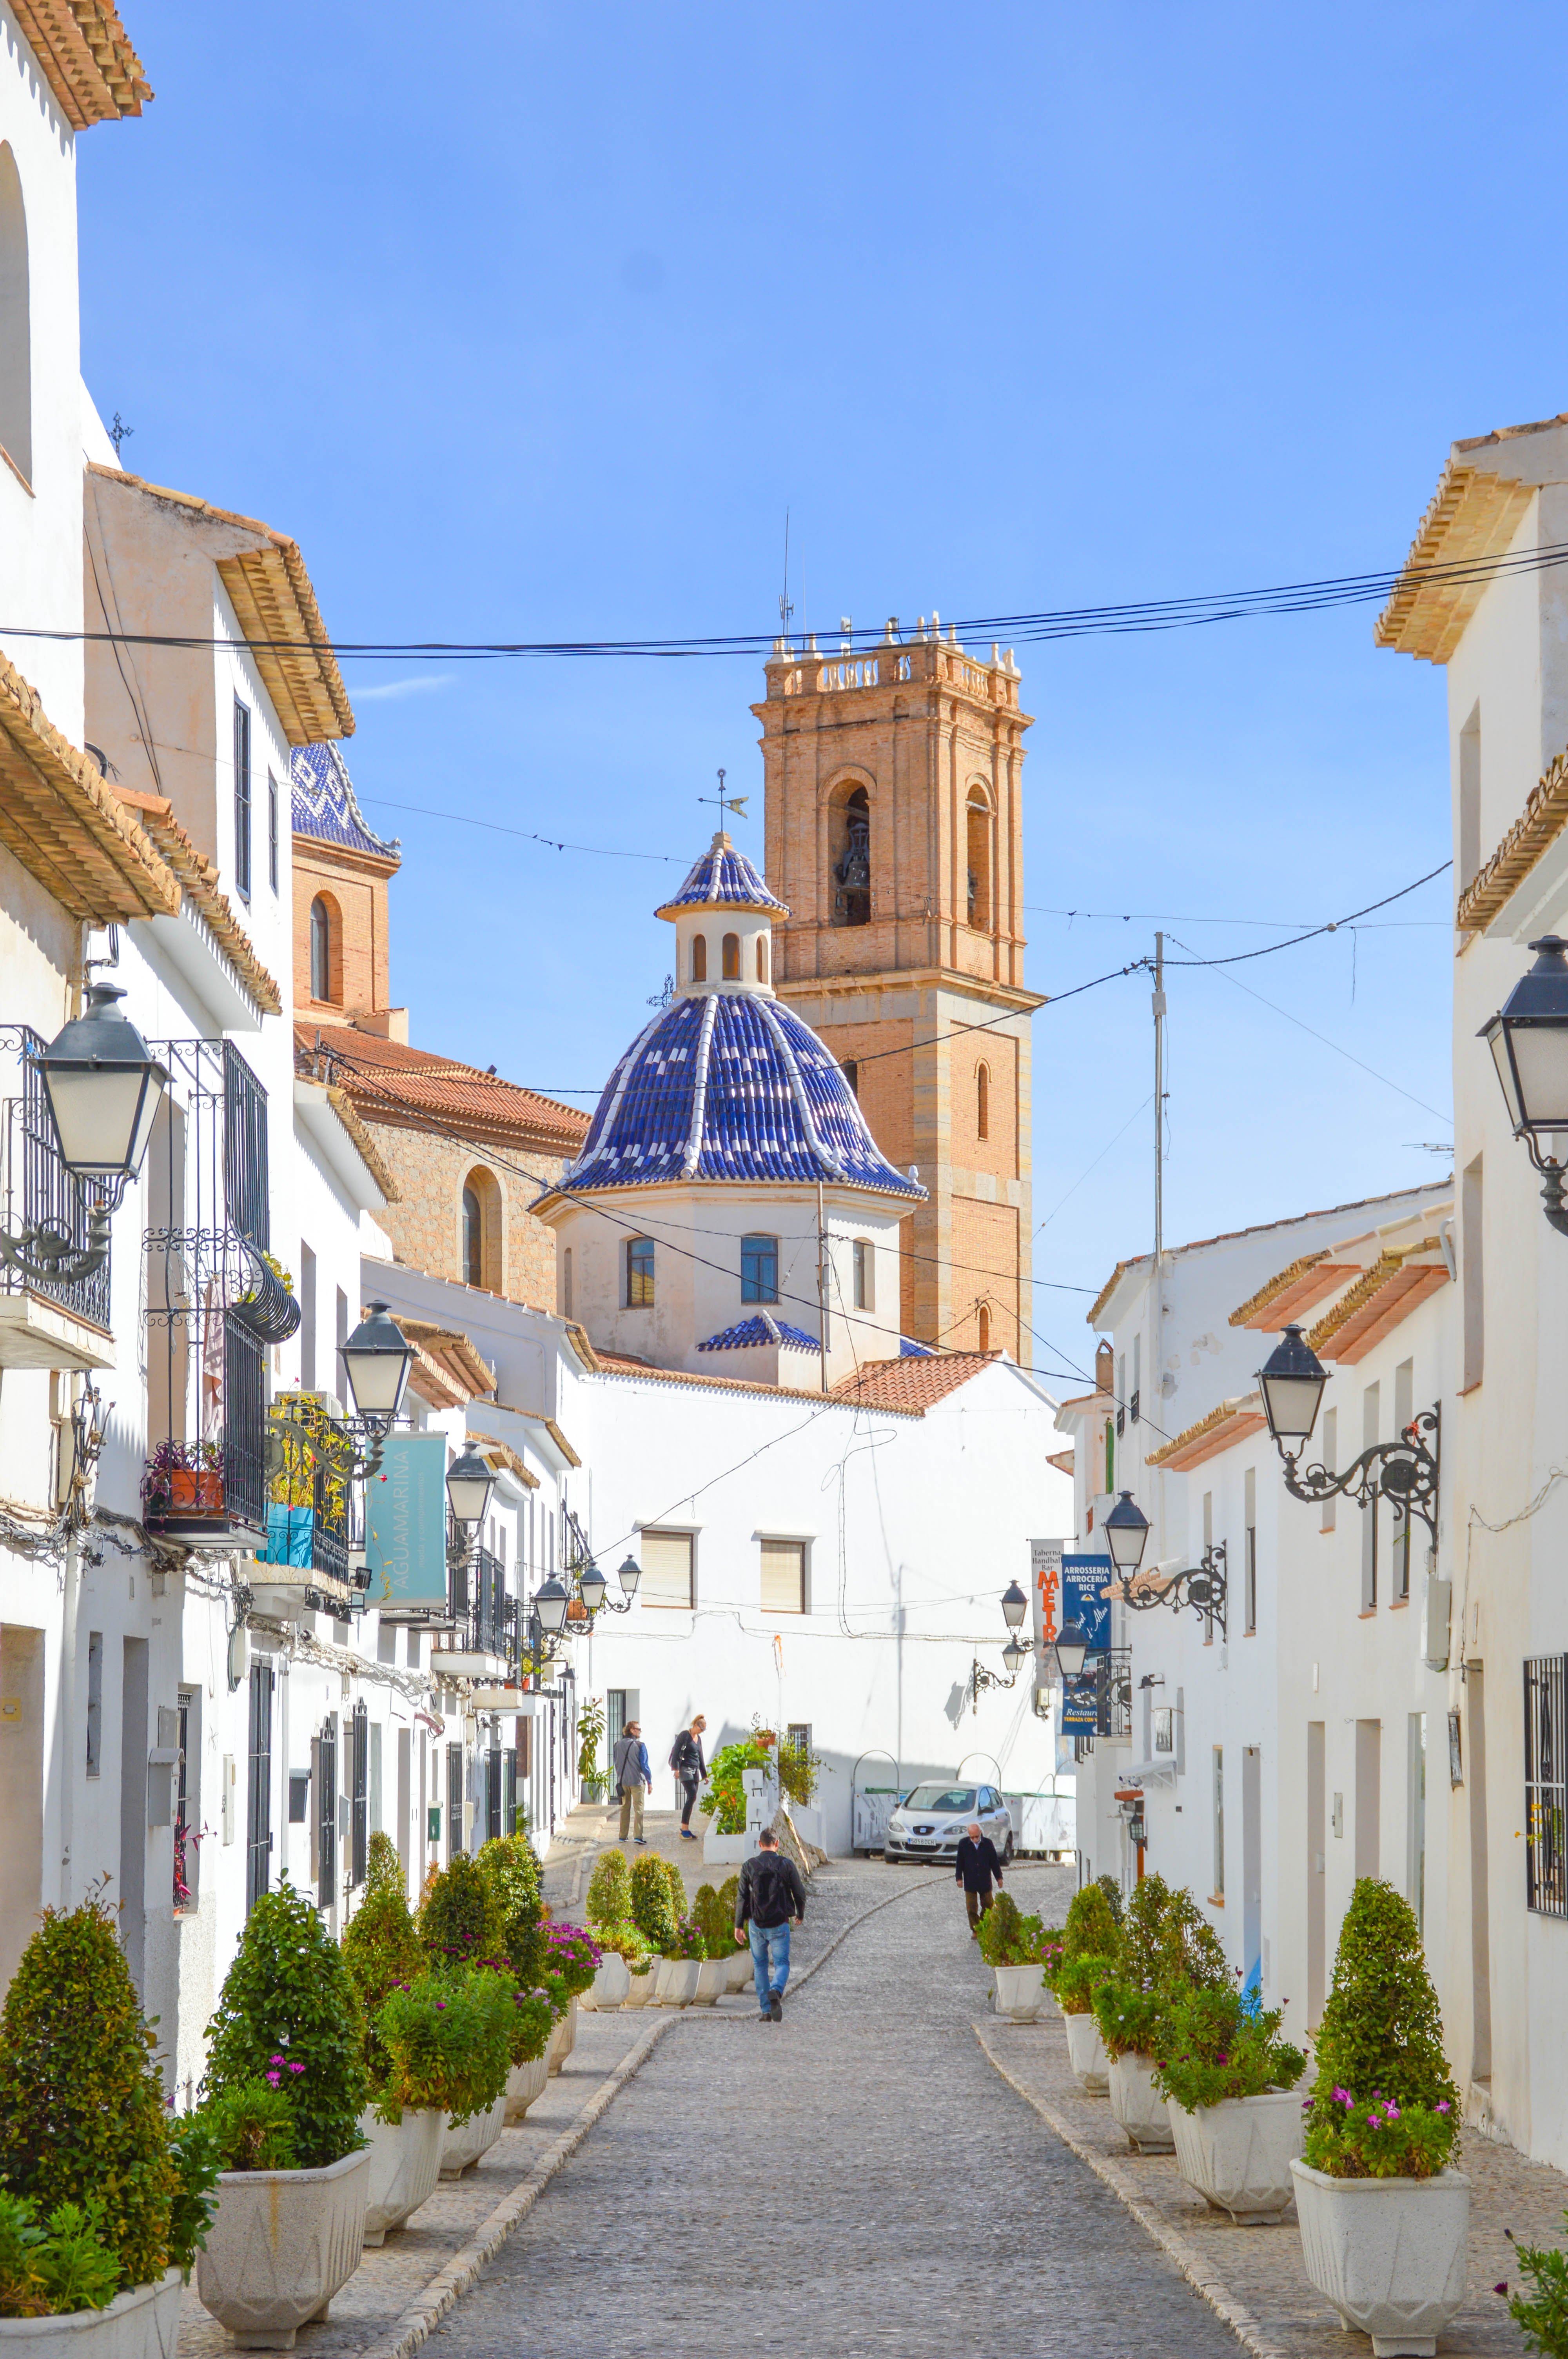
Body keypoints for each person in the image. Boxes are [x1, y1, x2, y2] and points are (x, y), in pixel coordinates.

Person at [733, 1826, 806, 2023]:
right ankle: (776, 1990)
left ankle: (766, 2011)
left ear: (760, 1844)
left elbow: (742, 1897)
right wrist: (800, 1913)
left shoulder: (749, 1866)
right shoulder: (786, 1864)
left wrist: (738, 1926)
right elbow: (800, 1892)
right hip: (780, 1923)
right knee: (782, 1963)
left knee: (760, 1966)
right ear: (777, 1844)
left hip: (756, 1924)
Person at [955, 1819, 1004, 1936]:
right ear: (969, 1836)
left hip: (985, 1880)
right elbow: (959, 1862)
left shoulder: (988, 1844)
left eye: (977, 1837)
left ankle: (984, 1925)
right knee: (971, 1907)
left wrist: (999, 1878)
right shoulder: (963, 1844)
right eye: (972, 1837)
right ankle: (976, 1929)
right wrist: (959, 1878)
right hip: (970, 1881)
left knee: (988, 1905)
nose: (975, 1840)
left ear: (981, 1833)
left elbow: (994, 1862)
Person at [612, 1720, 652, 1844]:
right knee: (639, 1809)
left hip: (624, 1781)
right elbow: (645, 1765)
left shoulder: (617, 1745)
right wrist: (649, 1781)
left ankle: (623, 1836)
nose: (640, 1731)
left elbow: (617, 1763)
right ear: (632, 1730)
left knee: (625, 1808)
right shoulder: (640, 1746)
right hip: (638, 1782)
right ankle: (638, 1836)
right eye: (638, 1729)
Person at [670, 1714, 707, 1840]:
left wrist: (705, 1775)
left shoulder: (699, 1739)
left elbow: (701, 1758)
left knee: (693, 1798)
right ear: (696, 1725)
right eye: (702, 1729)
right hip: (685, 1769)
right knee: (692, 1795)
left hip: (696, 1771)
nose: (702, 1732)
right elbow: (676, 1752)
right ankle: (684, 1830)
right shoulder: (685, 1735)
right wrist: (676, 1769)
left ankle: (685, 1829)